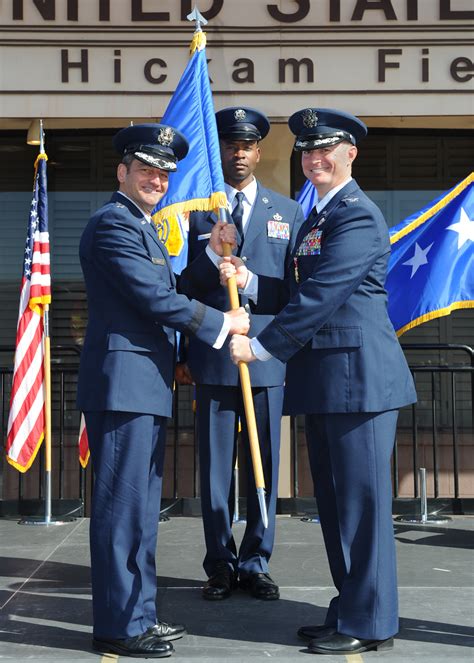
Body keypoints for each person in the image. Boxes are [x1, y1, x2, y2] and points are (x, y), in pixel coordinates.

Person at [225, 108, 417, 655]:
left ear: (350, 153)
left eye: (324, 150)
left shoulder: (356, 216)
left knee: (362, 508)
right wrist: (250, 280)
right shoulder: (318, 218)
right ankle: (349, 607)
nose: (314, 160)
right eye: (306, 152)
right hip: (330, 382)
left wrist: (261, 346)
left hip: (361, 383)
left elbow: (323, 294)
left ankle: (369, 622)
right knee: (335, 507)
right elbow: (295, 290)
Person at [76, 123, 249, 658]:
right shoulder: (113, 225)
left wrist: (212, 255)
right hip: (123, 387)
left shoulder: (143, 225)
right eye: (146, 168)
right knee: (122, 510)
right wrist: (223, 325)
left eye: (164, 173)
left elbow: (168, 288)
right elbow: (155, 300)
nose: (156, 179)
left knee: (140, 509)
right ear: (121, 171)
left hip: (142, 385)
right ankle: (120, 625)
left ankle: (140, 614)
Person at [178, 107, 304, 601]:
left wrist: (250, 289)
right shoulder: (193, 213)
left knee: (264, 467)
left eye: (248, 145)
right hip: (213, 356)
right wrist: (212, 258)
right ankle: (219, 563)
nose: (239, 153)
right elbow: (181, 288)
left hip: (265, 356)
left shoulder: (287, 213)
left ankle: (256, 560)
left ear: (259, 152)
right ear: (222, 150)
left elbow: (293, 293)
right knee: (213, 470)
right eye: (230, 144)